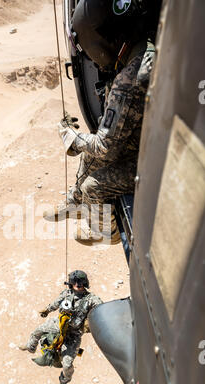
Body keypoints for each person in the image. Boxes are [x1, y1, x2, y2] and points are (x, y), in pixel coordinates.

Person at [44, 0, 161, 245]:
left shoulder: (128, 79)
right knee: (90, 157)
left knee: (93, 186)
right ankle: (76, 203)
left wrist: (72, 139)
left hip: (158, 163)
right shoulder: (147, 48)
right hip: (153, 143)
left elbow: (105, 146)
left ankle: (106, 232)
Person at [19, 270, 102, 384]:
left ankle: (64, 381)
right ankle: (31, 347)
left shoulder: (91, 299)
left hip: (74, 334)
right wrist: (47, 310)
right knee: (37, 331)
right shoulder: (66, 293)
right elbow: (56, 303)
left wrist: (90, 323)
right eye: (75, 282)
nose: (77, 284)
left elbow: (102, 309)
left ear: (85, 283)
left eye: (80, 282)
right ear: (71, 283)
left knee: (67, 364)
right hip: (59, 324)